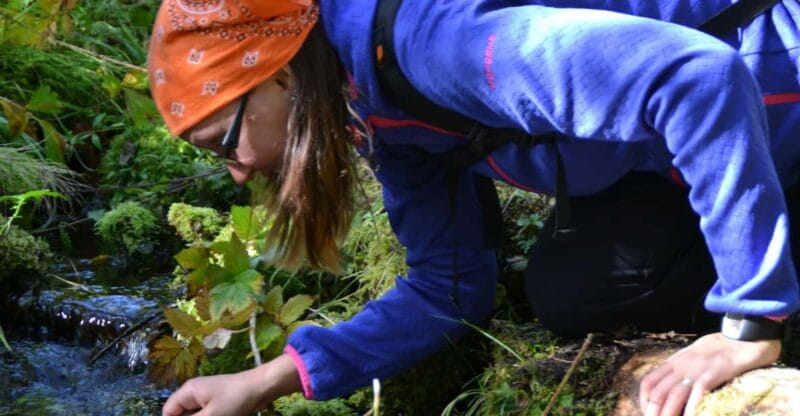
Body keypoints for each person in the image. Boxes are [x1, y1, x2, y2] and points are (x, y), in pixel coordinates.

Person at [146, 0, 800, 415]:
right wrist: (267, 381)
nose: (237, 173)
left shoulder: (433, 45)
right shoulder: (369, 103)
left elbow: (698, 78)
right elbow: (450, 285)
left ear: (279, 76)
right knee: (574, 289)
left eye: (224, 143)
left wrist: (749, 324)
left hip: (773, 85)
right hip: (672, 157)